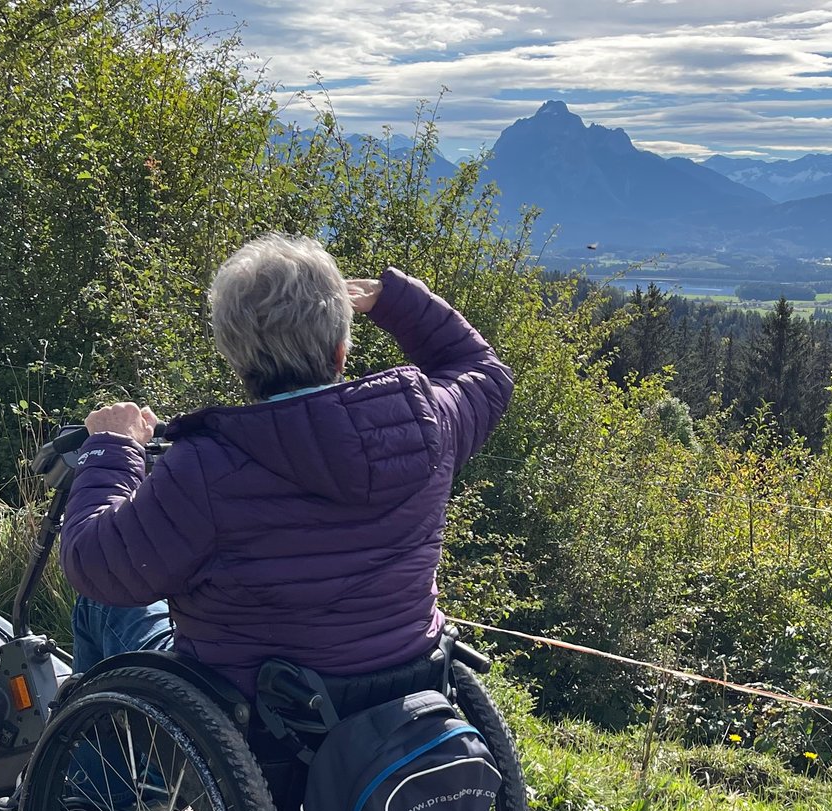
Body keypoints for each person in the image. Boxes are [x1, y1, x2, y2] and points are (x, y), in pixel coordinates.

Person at [57, 233, 514, 699]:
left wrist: (112, 448)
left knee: (99, 606)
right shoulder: (425, 425)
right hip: (401, 687)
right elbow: (481, 368)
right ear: (341, 350)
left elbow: (94, 564)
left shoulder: (202, 468)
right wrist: (393, 300)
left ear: (236, 358)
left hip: (257, 717)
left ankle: (90, 768)